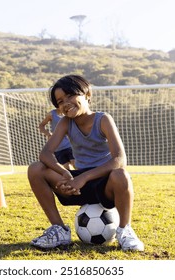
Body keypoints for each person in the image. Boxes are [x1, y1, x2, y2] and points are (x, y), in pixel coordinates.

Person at [27, 74, 144, 251]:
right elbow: (45, 154)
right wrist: (65, 174)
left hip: (104, 183)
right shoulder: (66, 123)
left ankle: (124, 230)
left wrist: (84, 178)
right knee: (35, 169)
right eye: (60, 101)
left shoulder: (103, 119)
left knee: (121, 174)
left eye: (70, 95)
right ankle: (59, 230)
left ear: (87, 94)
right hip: (77, 186)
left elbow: (120, 159)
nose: (65, 103)